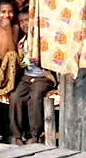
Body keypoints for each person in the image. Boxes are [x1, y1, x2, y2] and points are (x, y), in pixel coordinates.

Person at [10, 10, 57, 144]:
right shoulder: (23, 42)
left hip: (43, 77)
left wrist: (40, 61)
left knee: (35, 97)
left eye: (27, 20)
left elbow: (52, 61)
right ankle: (17, 136)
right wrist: (22, 57)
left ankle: (35, 135)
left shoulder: (43, 40)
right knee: (15, 97)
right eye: (21, 21)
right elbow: (23, 64)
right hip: (27, 77)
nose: (24, 24)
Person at [0, 0, 20, 105]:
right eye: (3, 12)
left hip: (9, 67)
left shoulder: (15, 28)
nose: (7, 15)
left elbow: (12, 49)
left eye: (10, 12)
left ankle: (7, 89)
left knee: (12, 55)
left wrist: (7, 30)